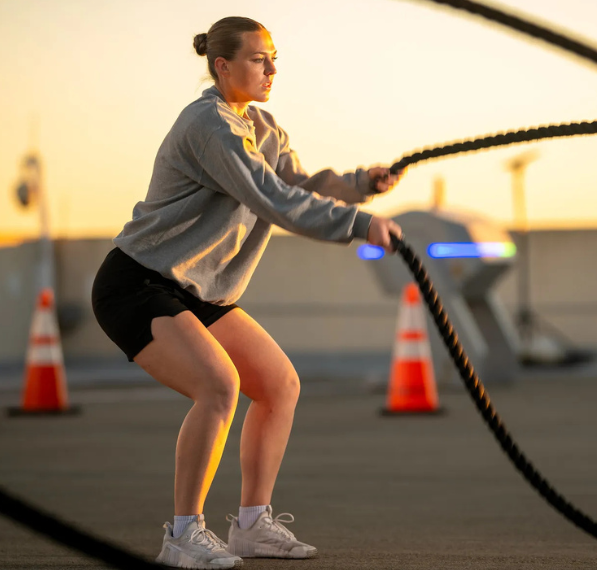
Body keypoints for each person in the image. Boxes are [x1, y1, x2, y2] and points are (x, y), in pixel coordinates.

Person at [91, 16, 403, 570]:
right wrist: (357, 224)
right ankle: (182, 535)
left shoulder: (261, 124)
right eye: (260, 59)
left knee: (279, 385)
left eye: (273, 57)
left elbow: (297, 186)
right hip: (138, 282)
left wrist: (359, 183)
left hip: (200, 291)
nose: (272, 69)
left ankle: (253, 525)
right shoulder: (209, 126)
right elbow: (272, 201)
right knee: (218, 386)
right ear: (222, 66)